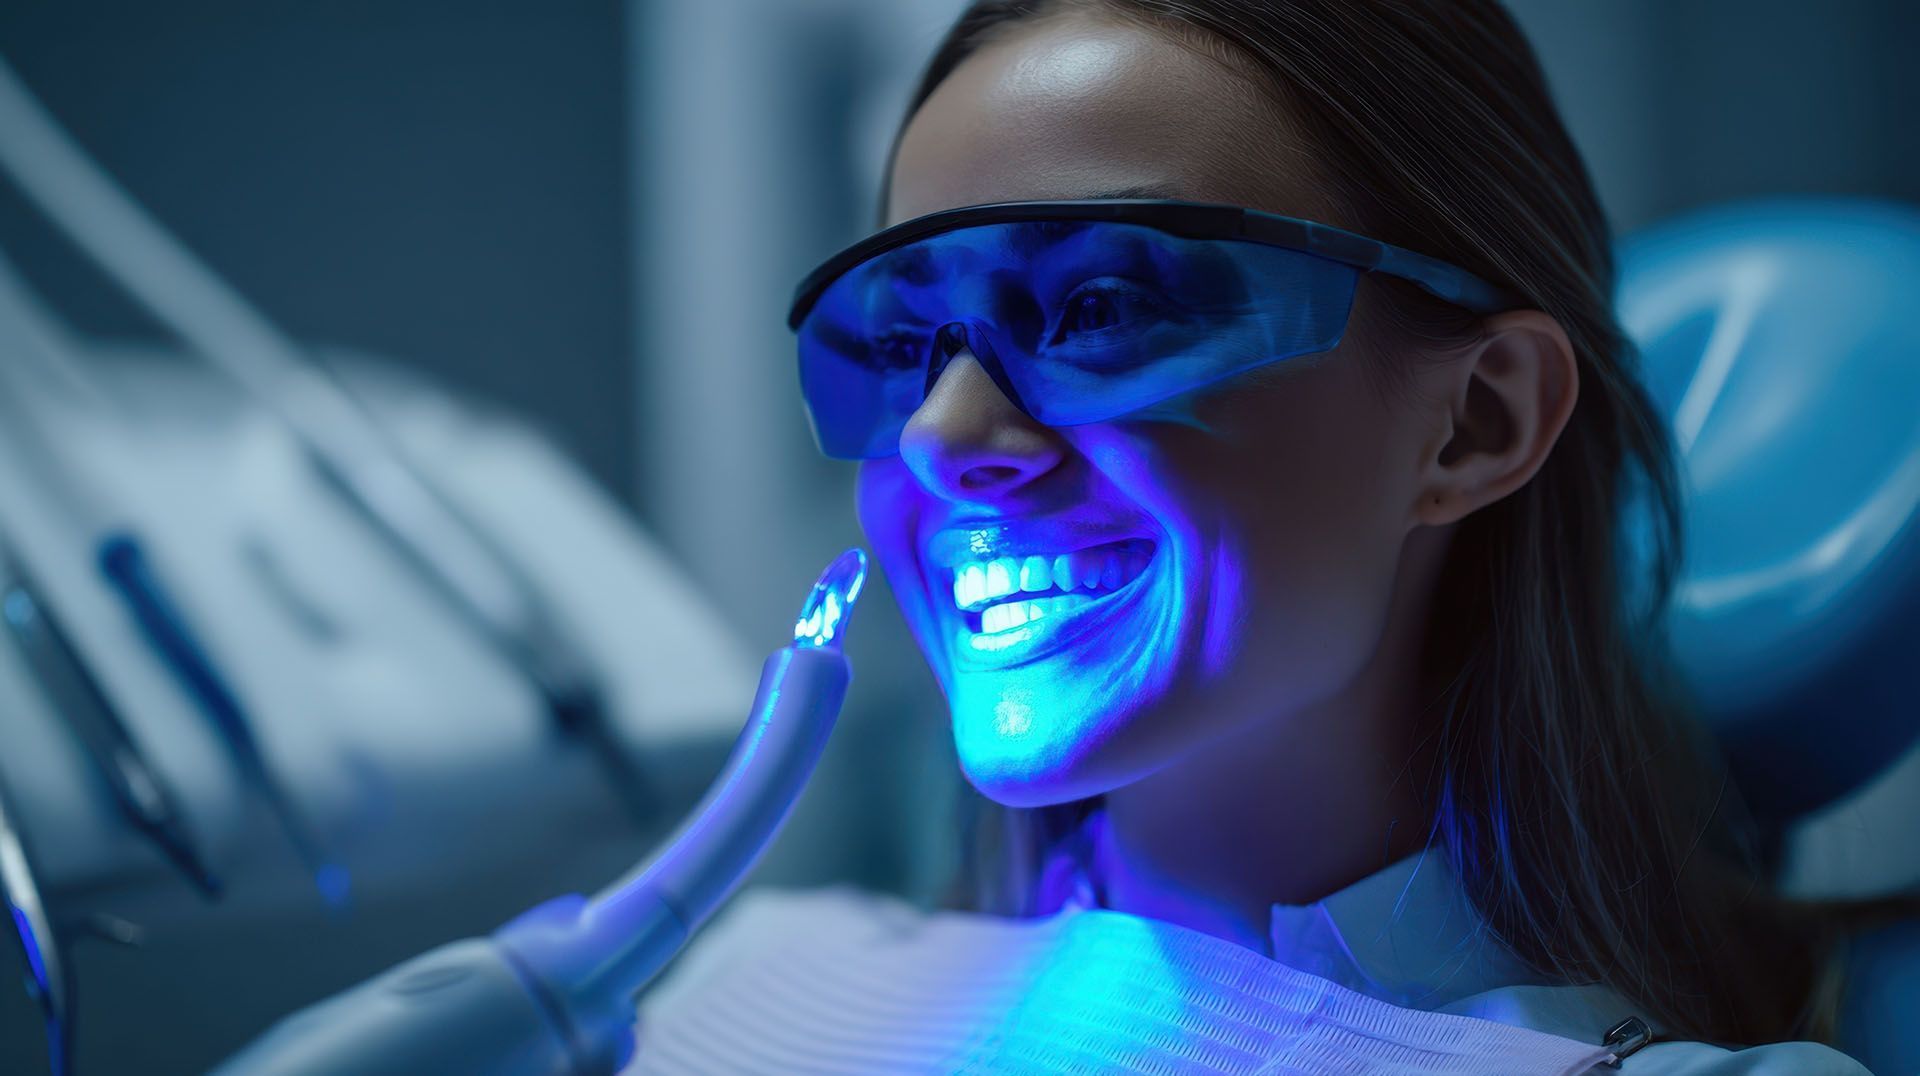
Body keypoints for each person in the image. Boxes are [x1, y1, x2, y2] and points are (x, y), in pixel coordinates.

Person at [631, 2, 1893, 1071]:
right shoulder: (743, 982)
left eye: (1103, 304)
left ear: (1476, 421)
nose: (942, 438)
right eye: (906, 346)